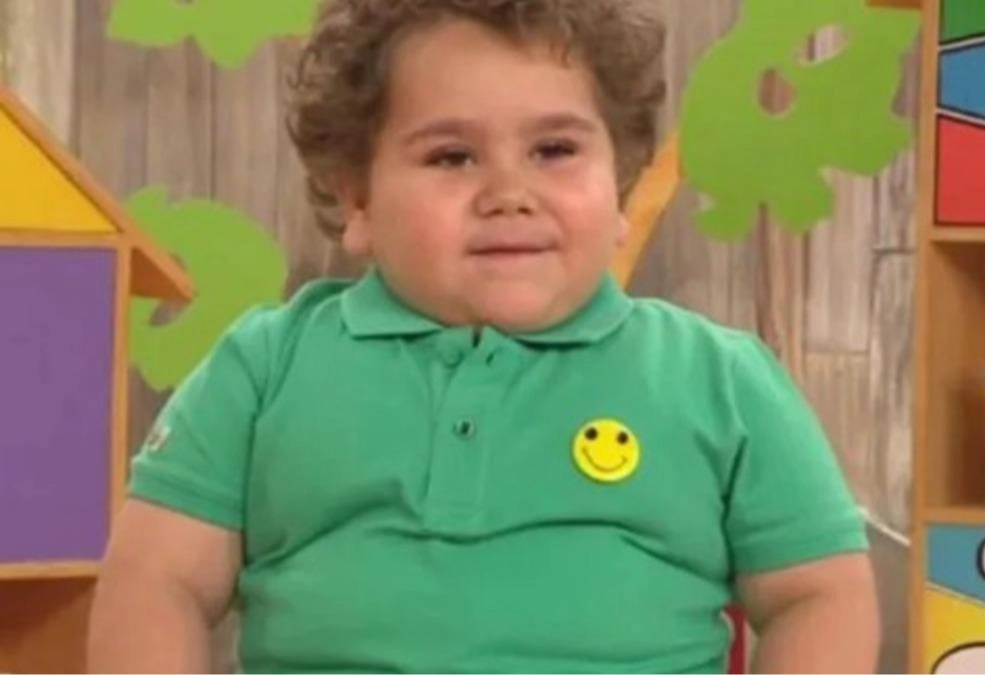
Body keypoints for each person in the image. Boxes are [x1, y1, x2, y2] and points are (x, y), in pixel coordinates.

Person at [87, 1, 880, 673]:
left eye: (555, 150)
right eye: (453, 156)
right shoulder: (265, 367)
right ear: (356, 197)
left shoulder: (719, 379)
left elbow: (820, 593)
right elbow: (157, 580)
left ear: (620, 187)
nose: (509, 192)